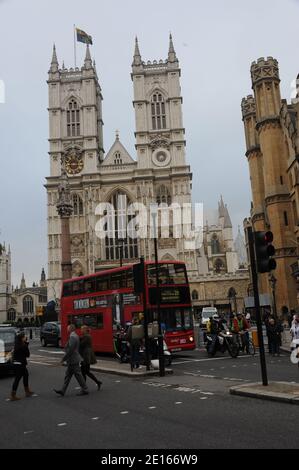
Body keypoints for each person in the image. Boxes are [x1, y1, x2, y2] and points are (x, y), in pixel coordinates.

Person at [53, 324, 88, 397]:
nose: (66, 329)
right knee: (68, 376)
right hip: (73, 359)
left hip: (73, 359)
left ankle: (85, 389)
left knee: (78, 375)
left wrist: (63, 359)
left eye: (67, 328)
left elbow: (70, 350)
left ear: (70, 329)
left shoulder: (72, 337)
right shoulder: (75, 335)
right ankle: (63, 390)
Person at [10, 332, 34, 401]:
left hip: (16, 363)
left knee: (25, 375)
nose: (25, 338)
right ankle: (13, 395)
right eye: (24, 337)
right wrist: (26, 344)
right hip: (20, 364)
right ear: (21, 338)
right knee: (18, 378)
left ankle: (27, 391)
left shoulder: (17, 345)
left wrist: (26, 344)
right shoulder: (23, 346)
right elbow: (28, 355)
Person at [79, 325, 102, 390]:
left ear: (85, 330)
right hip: (86, 356)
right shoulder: (86, 336)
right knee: (86, 372)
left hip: (86, 356)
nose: (81, 330)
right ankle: (97, 382)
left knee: (84, 372)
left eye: (81, 329)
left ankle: (83, 388)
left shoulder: (87, 336)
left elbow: (81, 344)